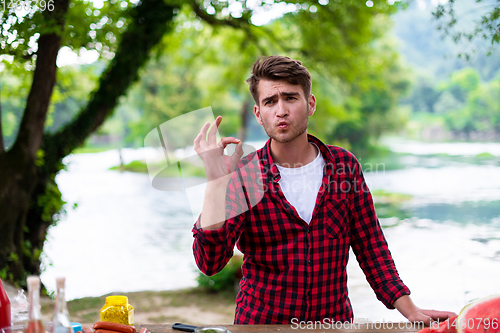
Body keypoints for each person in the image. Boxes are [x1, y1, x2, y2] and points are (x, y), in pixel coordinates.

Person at [192, 55, 456, 325]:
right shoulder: (246, 175)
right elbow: (210, 263)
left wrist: (411, 310)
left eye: (291, 98)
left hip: (333, 325)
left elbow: (372, 248)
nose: (281, 110)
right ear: (259, 114)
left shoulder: (344, 166)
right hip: (261, 326)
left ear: (310, 104)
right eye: (270, 102)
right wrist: (215, 184)